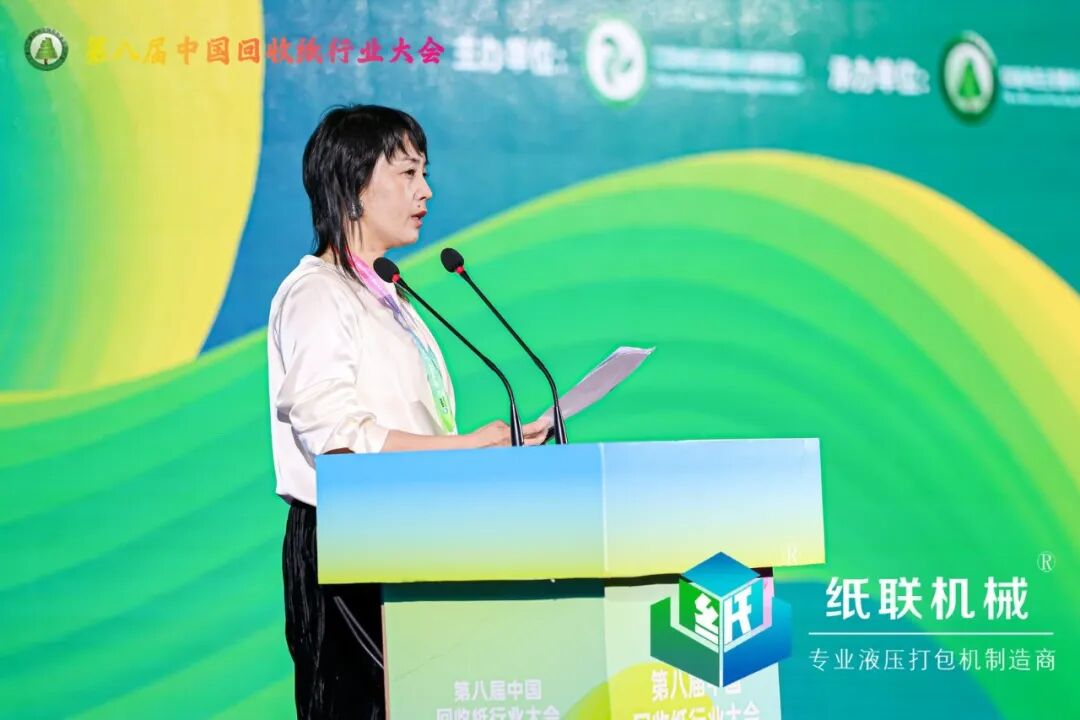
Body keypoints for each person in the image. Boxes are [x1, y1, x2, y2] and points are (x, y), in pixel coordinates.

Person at [266, 104, 550, 719]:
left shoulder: (391, 296)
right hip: (348, 543)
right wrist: (466, 447)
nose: (426, 191)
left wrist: (491, 450)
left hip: (407, 530)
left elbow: (412, 427)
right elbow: (335, 435)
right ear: (354, 185)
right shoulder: (317, 293)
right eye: (407, 173)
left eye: (425, 172)